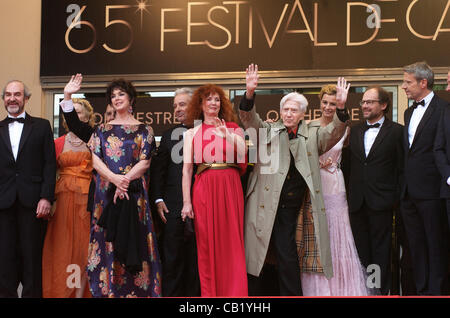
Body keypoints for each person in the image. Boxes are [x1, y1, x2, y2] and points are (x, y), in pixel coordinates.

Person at [240, 64, 350, 296]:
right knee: (256, 253)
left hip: (290, 205)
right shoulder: (268, 129)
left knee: (286, 253)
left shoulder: (312, 134)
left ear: (302, 114)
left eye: (294, 110)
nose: (289, 114)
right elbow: (249, 120)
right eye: (285, 109)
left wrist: (340, 107)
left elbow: (334, 134)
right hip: (263, 202)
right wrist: (250, 93)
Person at [65, 76, 162, 297]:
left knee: (134, 238)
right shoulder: (100, 130)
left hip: (134, 196)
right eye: (113, 95)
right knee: (107, 240)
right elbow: (96, 160)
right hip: (106, 195)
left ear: (131, 99)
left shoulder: (144, 130)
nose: (116, 98)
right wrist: (115, 179)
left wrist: (124, 181)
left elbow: (145, 161)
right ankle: (108, 291)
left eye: (121, 94)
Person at [300, 84, 369, 296]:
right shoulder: (308, 126)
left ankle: (344, 287)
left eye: (333, 103)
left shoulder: (345, 128)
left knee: (340, 231)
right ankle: (320, 289)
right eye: (325, 102)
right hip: (315, 183)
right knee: (318, 233)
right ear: (319, 103)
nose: (328, 107)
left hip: (335, 183)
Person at [181, 84, 248, 297]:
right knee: (207, 245)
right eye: (208, 99)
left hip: (230, 186)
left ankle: (235, 295)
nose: (213, 103)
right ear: (200, 104)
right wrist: (186, 202)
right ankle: (211, 296)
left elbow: (245, 152)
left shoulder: (233, 128)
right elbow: (187, 171)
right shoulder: (191, 133)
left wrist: (226, 134)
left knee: (232, 244)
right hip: (204, 188)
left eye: (217, 99)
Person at [0, 80, 56, 297]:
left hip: (33, 203)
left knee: (32, 257)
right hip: (3, 203)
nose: (12, 98)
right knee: (5, 258)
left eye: (17, 94)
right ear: (4, 99)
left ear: (26, 98)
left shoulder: (41, 126)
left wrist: (46, 197)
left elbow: (49, 165)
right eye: (8, 94)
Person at [346, 86, 404, 295]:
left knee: (381, 251)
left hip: (382, 202)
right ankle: (366, 289)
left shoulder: (397, 132)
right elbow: (348, 167)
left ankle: (379, 290)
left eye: (370, 102)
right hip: (357, 202)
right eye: (363, 102)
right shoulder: (354, 130)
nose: (364, 106)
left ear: (384, 105)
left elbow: (402, 168)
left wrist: (394, 197)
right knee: (362, 250)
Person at [400, 61, 449, 295]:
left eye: (407, 82)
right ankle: (420, 290)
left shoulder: (444, 109)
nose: (403, 87)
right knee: (415, 246)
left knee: (435, 244)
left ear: (423, 82)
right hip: (408, 192)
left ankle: (436, 291)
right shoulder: (409, 111)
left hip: (432, 191)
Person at [149, 88, 200, 297]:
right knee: (172, 261)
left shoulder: (207, 132)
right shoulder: (170, 135)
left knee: (197, 263)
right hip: (172, 208)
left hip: (202, 205)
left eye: (182, 104)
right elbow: (159, 171)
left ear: (195, 106)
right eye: (175, 106)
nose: (177, 109)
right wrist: (158, 199)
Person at [42, 98, 95, 298]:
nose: (77, 115)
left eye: (81, 112)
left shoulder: (93, 140)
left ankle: (84, 293)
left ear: (88, 116)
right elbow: (48, 172)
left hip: (86, 200)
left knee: (84, 247)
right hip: (62, 200)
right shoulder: (57, 143)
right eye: (74, 112)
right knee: (61, 247)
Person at [434, 69, 450, 236]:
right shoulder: (446, 111)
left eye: (449, 83)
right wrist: (448, 176)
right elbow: (438, 148)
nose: (446, 88)